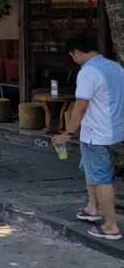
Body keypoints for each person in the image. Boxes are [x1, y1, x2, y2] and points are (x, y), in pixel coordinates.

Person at [53, 32, 124, 240]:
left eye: (72, 56)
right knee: (92, 169)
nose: (73, 59)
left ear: (77, 52)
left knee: (101, 178)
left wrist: (67, 133)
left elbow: (80, 107)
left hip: (96, 131)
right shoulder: (116, 67)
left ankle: (111, 226)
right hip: (115, 128)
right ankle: (92, 207)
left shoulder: (88, 72)